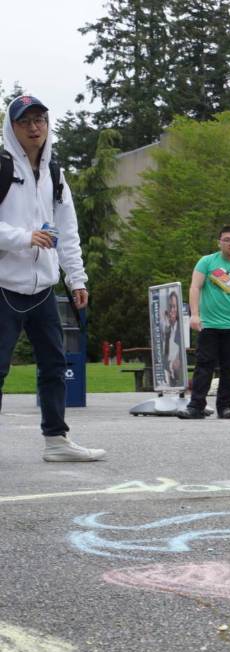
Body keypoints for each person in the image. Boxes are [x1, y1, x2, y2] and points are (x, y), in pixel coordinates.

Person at [0, 96, 104, 461]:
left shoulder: (55, 174)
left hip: (43, 286)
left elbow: (68, 231)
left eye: (39, 120)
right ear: (11, 128)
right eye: (24, 121)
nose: (33, 128)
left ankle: (57, 441)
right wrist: (23, 237)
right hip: (3, 285)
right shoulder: (1, 167)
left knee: (55, 365)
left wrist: (77, 279)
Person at [177, 226, 230, 419]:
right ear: (220, 243)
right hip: (209, 324)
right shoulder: (207, 262)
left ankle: (224, 407)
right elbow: (195, 287)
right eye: (227, 240)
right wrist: (195, 315)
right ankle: (196, 406)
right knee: (204, 365)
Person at [162, 290, 184, 386]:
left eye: (174, 306)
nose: (172, 310)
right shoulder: (167, 327)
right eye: (170, 307)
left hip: (176, 371)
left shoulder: (180, 326)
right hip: (168, 370)